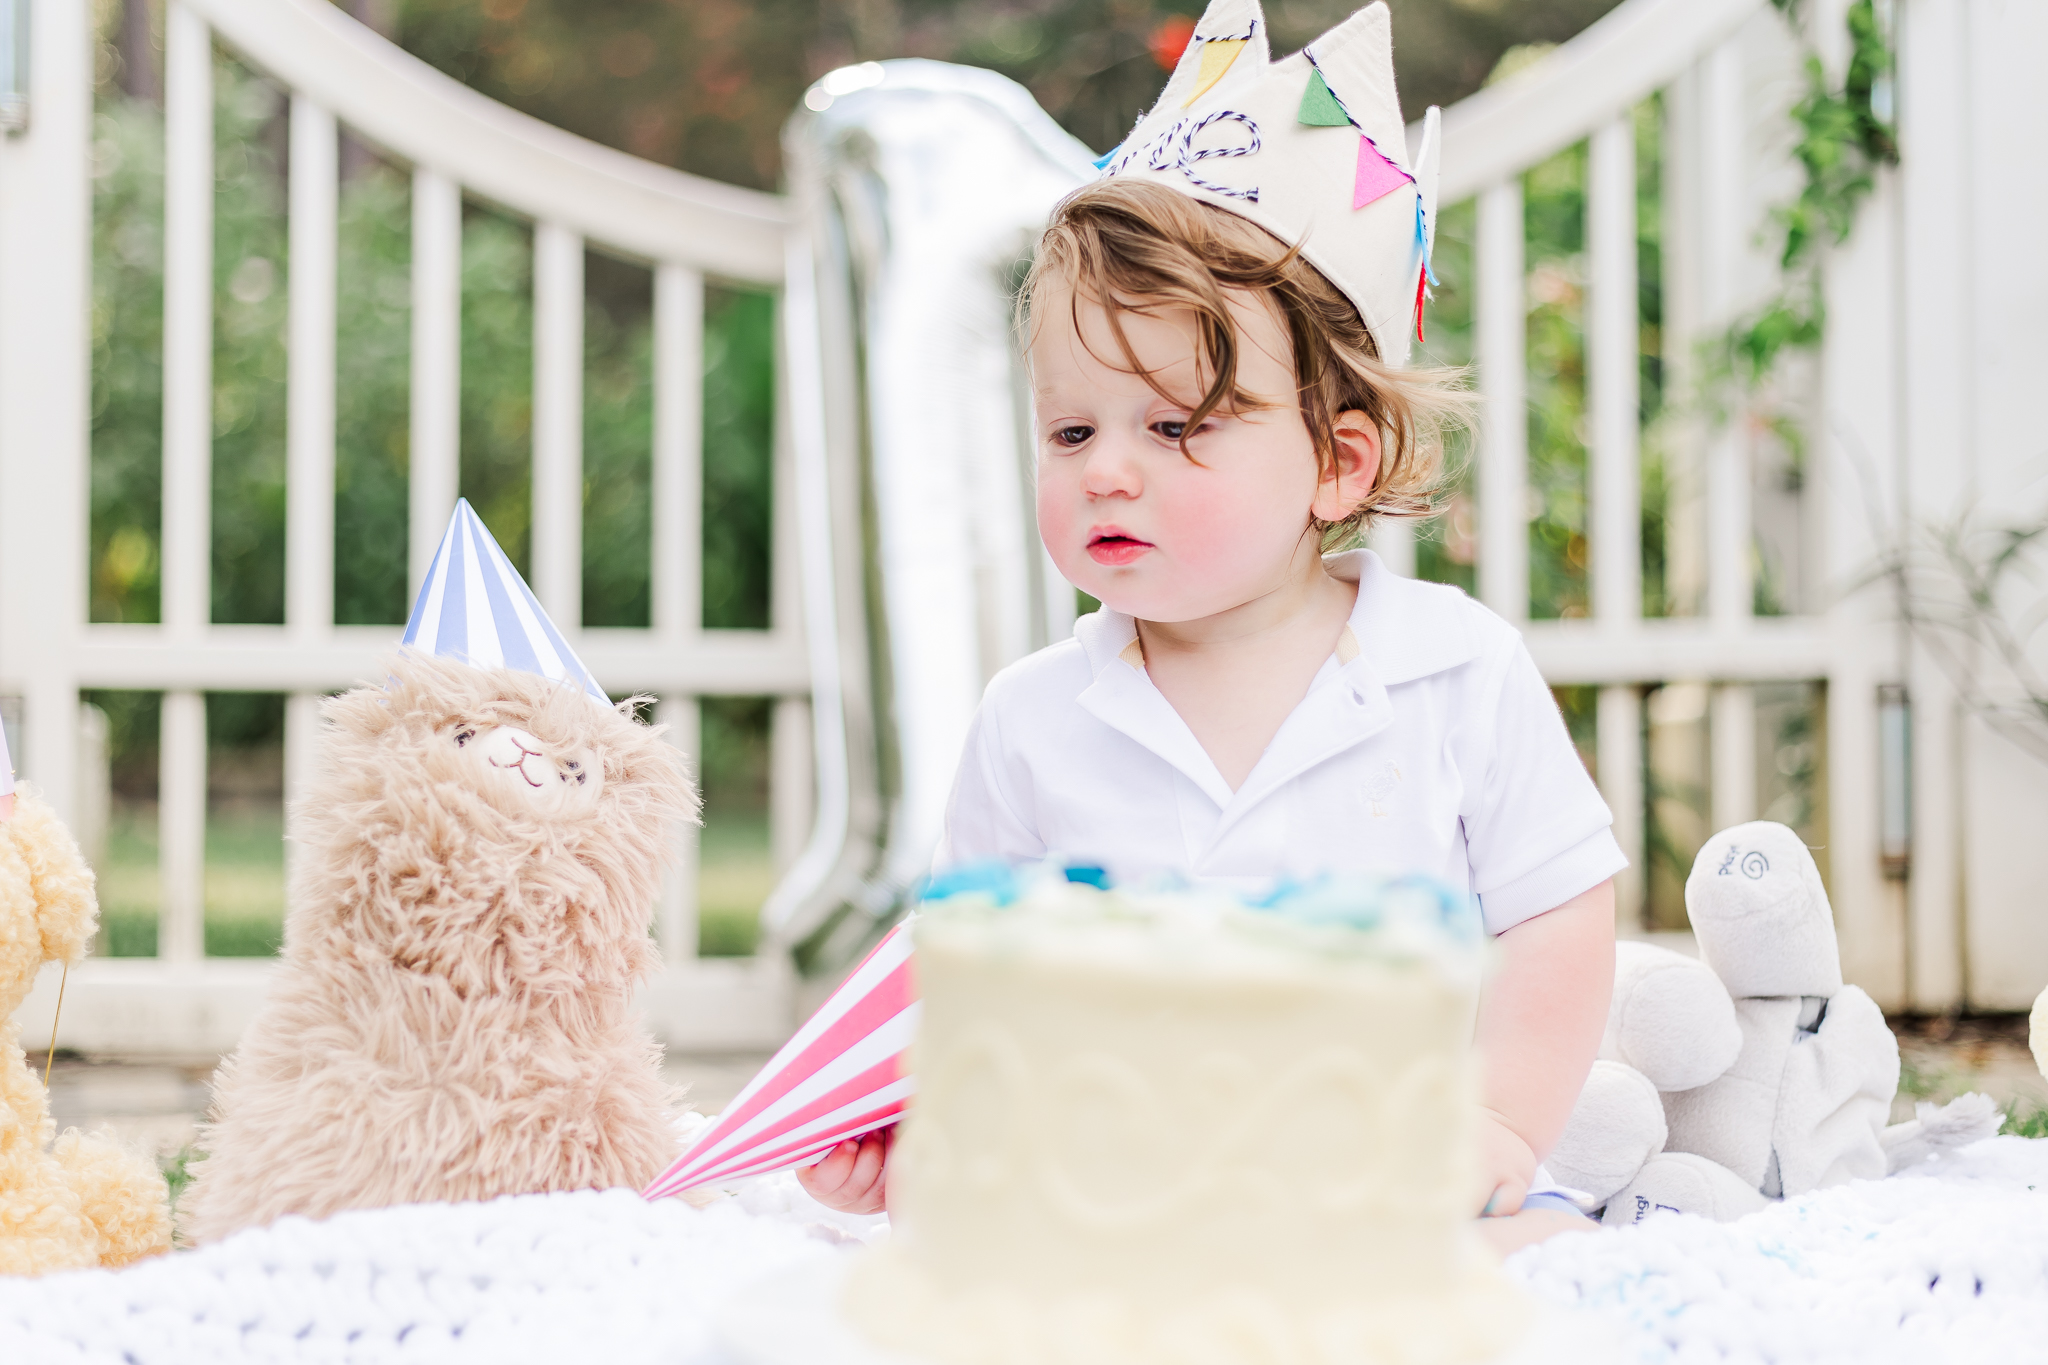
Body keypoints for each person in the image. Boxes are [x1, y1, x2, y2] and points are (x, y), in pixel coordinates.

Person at [800, 0, 1619, 1255]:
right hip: (1131, 1183)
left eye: (1176, 426)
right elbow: (969, 975)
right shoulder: (1033, 718)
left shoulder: (1451, 668)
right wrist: (913, 1130)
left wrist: (1499, 1122)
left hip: (1401, 1170)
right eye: (1071, 431)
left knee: (1532, 1273)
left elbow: (1554, 913)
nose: (1107, 472)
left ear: (1336, 465)